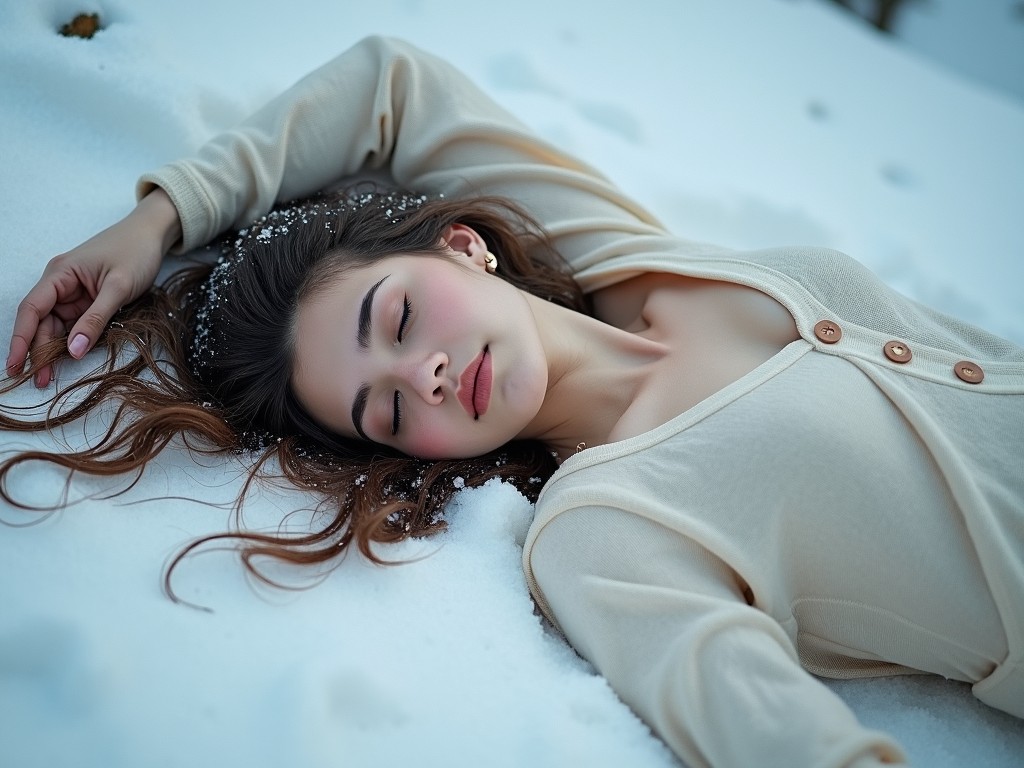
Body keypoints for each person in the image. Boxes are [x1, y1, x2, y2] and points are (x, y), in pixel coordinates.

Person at [2, 35, 1022, 768]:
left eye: (397, 321)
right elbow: (756, 725)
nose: (423, 377)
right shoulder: (606, 530)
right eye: (388, 412)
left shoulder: (627, 257)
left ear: (461, 247)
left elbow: (390, 85)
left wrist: (161, 217)